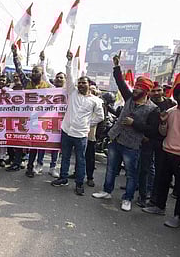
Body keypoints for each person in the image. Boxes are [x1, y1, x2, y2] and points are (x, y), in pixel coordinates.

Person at [92, 53, 158, 211]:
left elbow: (152, 130)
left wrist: (134, 124)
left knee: (130, 173)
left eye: (139, 88)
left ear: (146, 91)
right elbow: (120, 82)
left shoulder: (153, 109)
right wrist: (116, 66)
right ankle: (107, 191)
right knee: (111, 168)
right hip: (116, 139)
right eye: (135, 87)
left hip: (132, 145)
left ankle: (127, 198)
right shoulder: (129, 97)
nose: (135, 90)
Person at [142, 83, 180, 228]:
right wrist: (163, 123)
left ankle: (178, 216)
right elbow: (163, 133)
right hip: (166, 152)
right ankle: (159, 207)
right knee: (162, 182)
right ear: (176, 97)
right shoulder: (170, 111)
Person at [51, 51, 104, 196]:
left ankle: (79, 183)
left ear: (89, 84)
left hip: (81, 135)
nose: (80, 84)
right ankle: (63, 178)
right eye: (79, 82)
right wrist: (69, 61)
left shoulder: (95, 101)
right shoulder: (72, 92)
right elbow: (70, 77)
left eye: (83, 83)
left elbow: (100, 116)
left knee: (80, 160)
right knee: (65, 156)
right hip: (66, 131)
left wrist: (87, 123)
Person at [5, 46, 52, 176]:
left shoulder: (47, 86)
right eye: (32, 71)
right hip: (24, 118)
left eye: (36, 71)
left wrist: (43, 61)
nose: (33, 73)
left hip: (38, 120)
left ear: (41, 74)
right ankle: (17, 163)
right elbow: (19, 69)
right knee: (20, 141)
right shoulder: (26, 83)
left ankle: (30, 167)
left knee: (34, 144)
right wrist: (15, 54)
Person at [141, 82, 177, 208]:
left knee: (159, 171)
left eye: (158, 90)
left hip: (163, 142)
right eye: (153, 91)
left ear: (163, 91)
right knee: (144, 168)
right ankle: (143, 194)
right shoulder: (146, 103)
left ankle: (154, 195)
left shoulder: (171, 105)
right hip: (147, 140)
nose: (156, 93)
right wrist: (143, 135)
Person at [48, 72, 67, 178]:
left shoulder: (68, 91)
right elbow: (45, 77)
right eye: (57, 77)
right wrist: (43, 61)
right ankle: (39, 164)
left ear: (65, 80)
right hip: (47, 121)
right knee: (43, 144)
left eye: (61, 77)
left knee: (56, 146)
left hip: (61, 123)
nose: (59, 79)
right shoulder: (50, 89)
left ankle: (52, 168)